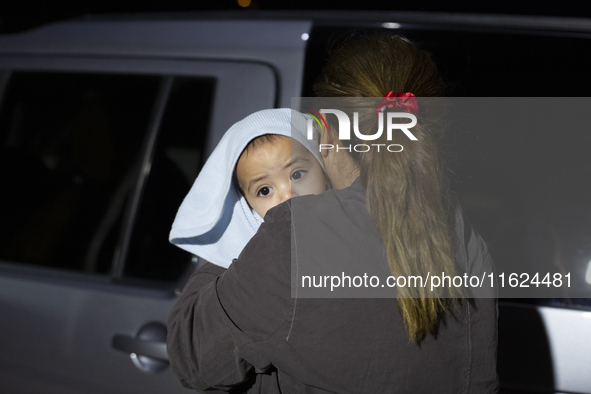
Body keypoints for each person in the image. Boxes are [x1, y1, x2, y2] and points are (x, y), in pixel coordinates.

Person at [167, 34, 498, 393]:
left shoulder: (294, 238)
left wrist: (230, 235)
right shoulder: (467, 241)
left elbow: (194, 358)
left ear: (325, 131)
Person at [169, 108, 326, 268]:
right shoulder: (247, 267)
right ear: (248, 207)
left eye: (297, 174)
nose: (288, 195)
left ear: (323, 168)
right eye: (265, 190)